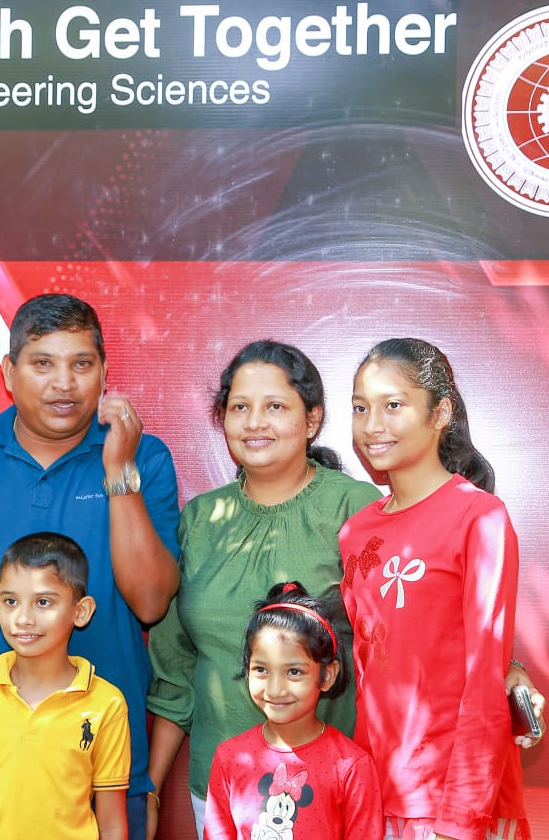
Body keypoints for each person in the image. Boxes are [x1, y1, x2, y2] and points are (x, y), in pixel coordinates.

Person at [0, 293, 180, 840]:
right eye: (43, 364)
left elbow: (152, 602)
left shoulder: (143, 456)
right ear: (9, 372)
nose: (64, 383)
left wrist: (119, 470)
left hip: (102, 777)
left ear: (104, 373)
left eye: (81, 364)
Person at [146, 340, 382, 837]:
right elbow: (177, 670)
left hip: (332, 787)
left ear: (312, 419)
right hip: (221, 789)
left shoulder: (357, 510)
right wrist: (151, 785)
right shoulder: (201, 519)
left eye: (275, 406)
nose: (255, 422)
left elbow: (405, 641)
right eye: (240, 407)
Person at [339, 338, 530, 840]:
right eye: (360, 408)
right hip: (375, 790)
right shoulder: (356, 533)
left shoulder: (479, 518)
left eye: (393, 405)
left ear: (441, 412)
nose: (372, 425)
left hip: (451, 799)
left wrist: (462, 818)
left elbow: (486, 673)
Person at [0, 532, 130, 840]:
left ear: (81, 611)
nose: (22, 618)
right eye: (10, 601)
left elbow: (112, 822)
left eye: (43, 602)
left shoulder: (106, 704)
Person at [204, 581, 382, 840]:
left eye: (294, 672)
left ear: (327, 674)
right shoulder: (229, 757)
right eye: (261, 669)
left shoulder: (352, 766)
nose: (275, 690)